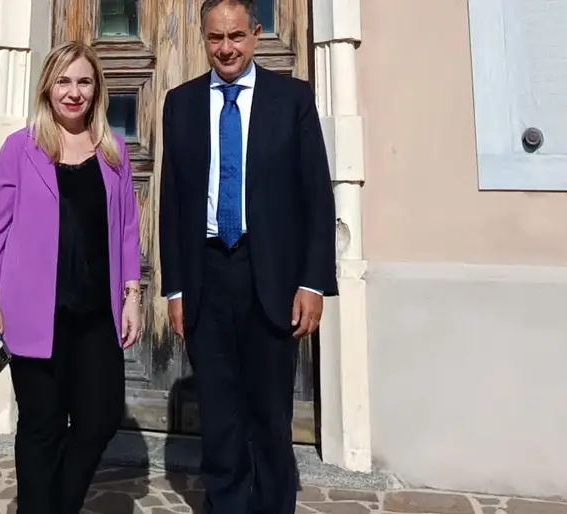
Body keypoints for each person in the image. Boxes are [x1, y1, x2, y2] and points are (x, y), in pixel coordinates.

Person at [158, 0, 338, 512]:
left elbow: (316, 197)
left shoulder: (292, 99)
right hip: (208, 273)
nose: (226, 49)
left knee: (270, 414)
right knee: (219, 416)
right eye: (216, 38)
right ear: (203, 38)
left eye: (236, 36)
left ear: (256, 35)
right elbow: (172, 201)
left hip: (273, 278)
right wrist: (175, 287)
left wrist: (312, 282)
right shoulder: (181, 103)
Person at [0, 41, 142, 514]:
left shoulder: (113, 151)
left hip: (96, 314)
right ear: (48, 87)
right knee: (42, 428)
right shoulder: (20, 149)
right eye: (64, 81)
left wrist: (132, 294)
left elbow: (128, 228)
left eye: (84, 81)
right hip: (34, 315)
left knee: (100, 419)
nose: (74, 92)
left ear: (96, 89)